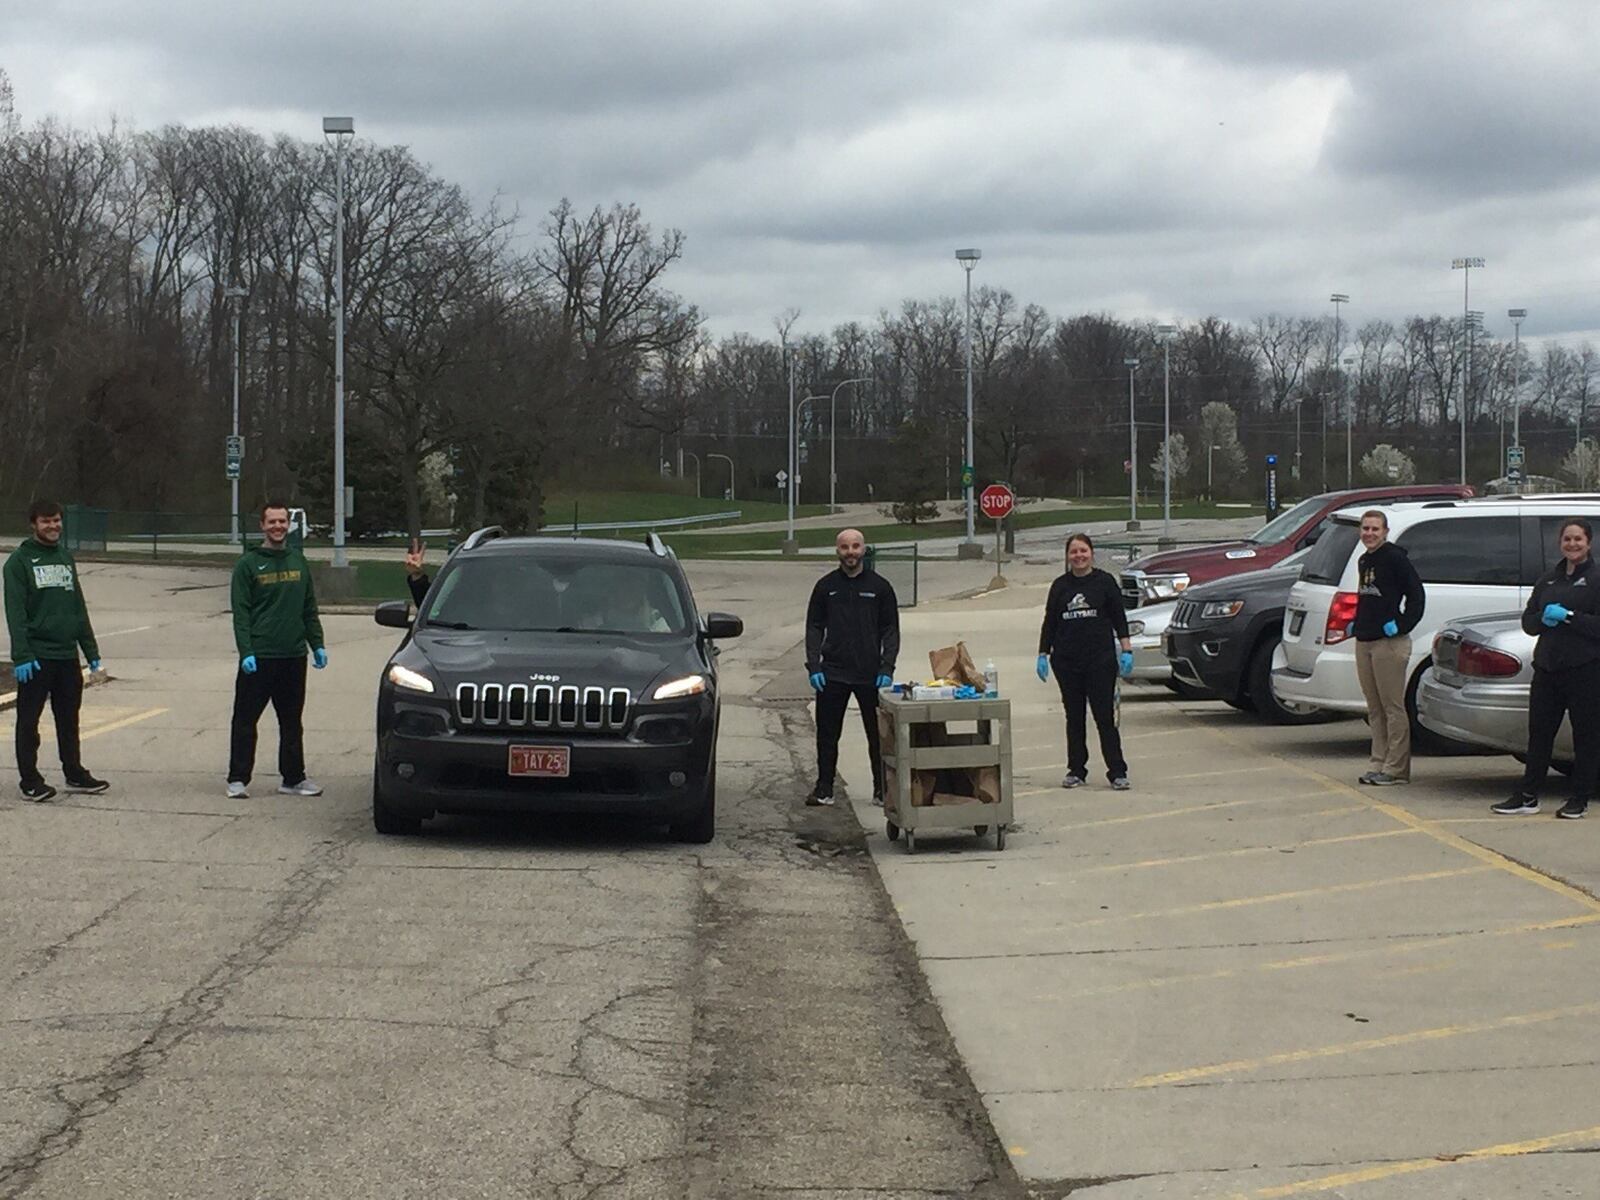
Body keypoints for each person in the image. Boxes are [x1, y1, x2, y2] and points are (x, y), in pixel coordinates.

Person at [1492, 518, 1600, 819]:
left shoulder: (1596, 578)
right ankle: (1528, 795)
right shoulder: (1549, 580)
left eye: (1578, 539)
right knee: (1539, 735)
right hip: (1548, 668)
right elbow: (1529, 622)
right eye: (1567, 539)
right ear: (1560, 543)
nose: (1572, 545)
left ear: (1588, 543)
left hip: (1585, 669)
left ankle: (1579, 798)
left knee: (1586, 736)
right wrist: (1543, 620)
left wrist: (1569, 616)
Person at [4, 499, 108, 801]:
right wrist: (22, 655)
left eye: (57, 520)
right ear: (33, 524)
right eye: (46, 521)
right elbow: (16, 612)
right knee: (29, 721)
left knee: (69, 718)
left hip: (66, 656)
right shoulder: (19, 562)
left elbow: (77, 606)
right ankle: (30, 780)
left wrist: (91, 651)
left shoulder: (64, 557)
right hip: (36, 658)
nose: (53, 526)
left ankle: (74, 772)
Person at [227, 501, 328, 799]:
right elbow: (241, 614)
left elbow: (309, 609)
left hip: (293, 656)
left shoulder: (298, 562)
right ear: (262, 525)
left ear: (289, 524)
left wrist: (317, 644)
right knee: (245, 720)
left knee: (291, 722)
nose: (278, 527)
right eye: (272, 522)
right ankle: (237, 778)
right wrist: (246, 651)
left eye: (282, 521)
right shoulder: (248, 565)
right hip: (260, 658)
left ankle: (293, 778)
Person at [805, 528, 899, 807]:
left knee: (878, 736)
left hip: (870, 675)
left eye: (856, 546)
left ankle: (881, 789)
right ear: (837, 551)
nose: (851, 552)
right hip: (832, 673)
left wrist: (887, 667)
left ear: (864, 549)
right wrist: (814, 666)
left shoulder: (880, 587)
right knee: (827, 734)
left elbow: (890, 630)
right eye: (845, 547)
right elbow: (814, 627)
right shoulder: (826, 587)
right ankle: (824, 789)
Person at [1036, 532, 1133, 790]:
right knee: (1074, 716)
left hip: (1100, 660)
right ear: (1068, 556)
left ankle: (1117, 771)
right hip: (1067, 662)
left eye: (1083, 551)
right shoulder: (1060, 586)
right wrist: (1043, 654)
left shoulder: (1105, 582)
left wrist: (1126, 650)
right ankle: (1076, 769)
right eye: (1074, 552)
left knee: (1104, 717)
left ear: (1091, 553)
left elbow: (1119, 617)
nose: (1079, 556)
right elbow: (1050, 622)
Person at [1351, 509, 1425, 786]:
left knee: (1393, 707)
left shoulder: (1395, 558)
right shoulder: (1364, 560)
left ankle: (1396, 768)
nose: (1369, 534)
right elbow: (1367, 599)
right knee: (1374, 708)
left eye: (1375, 529)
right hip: (1365, 640)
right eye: (1365, 528)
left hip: (1389, 644)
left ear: (1385, 531)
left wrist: (1402, 625)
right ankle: (1377, 762)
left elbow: (1416, 596)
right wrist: (1356, 624)